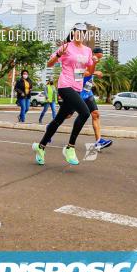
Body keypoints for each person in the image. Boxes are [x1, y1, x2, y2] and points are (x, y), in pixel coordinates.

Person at [32, 22, 96, 166]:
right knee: (85, 113)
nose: (80, 34)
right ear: (73, 33)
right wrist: (58, 55)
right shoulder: (66, 47)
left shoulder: (87, 51)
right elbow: (49, 64)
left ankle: (41, 147)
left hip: (77, 87)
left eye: (83, 32)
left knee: (59, 120)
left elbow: (87, 72)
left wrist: (95, 64)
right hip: (65, 85)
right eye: (77, 31)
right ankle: (70, 148)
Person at [82, 47, 112, 151]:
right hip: (78, 94)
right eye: (97, 57)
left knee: (95, 114)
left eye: (100, 58)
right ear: (92, 54)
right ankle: (51, 127)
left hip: (88, 93)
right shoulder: (84, 60)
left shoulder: (93, 63)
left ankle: (98, 142)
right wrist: (95, 73)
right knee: (67, 115)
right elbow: (78, 72)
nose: (98, 60)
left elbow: (88, 76)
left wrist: (90, 82)